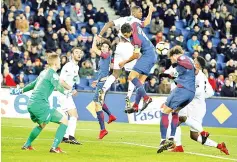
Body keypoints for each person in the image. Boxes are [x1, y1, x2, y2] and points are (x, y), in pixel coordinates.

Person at [10, 52, 72, 153]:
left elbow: (33, 84)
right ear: (56, 62)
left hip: (32, 104)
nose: (60, 62)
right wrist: (66, 92)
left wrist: (20, 91)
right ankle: (54, 147)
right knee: (64, 121)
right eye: (59, 61)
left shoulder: (44, 72)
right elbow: (58, 86)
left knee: (42, 124)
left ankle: (27, 145)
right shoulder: (53, 74)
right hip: (40, 105)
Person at [167, 56, 229, 155]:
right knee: (193, 136)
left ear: (197, 65)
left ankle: (201, 132)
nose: (192, 61)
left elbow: (198, 92)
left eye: (194, 61)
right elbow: (210, 92)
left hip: (197, 108)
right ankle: (219, 146)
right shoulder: (194, 74)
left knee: (180, 118)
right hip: (194, 104)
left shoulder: (199, 77)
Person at [98, 5, 155, 109]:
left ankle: (104, 89)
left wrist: (100, 35)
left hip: (119, 46)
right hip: (130, 48)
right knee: (133, 76)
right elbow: (146, 22)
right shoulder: (135, 22)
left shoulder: (123, 19)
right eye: (140, 12)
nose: (141, 14)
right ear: (133, 13)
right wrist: (150, 12)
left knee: (115, 73)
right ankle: (128, 99)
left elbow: (109, 23)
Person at [157, 46, 195, 153]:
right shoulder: (182, 65)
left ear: (174, 55)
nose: (172, 60)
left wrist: (179, 60)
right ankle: (172, 138)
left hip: (182, 90)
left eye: (171, 58)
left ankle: (163, 140)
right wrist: (166, 74)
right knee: (175, 112)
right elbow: (179, 74)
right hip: (190, 93)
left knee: (164, 111)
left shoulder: (182, 58)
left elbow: (186, 64)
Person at [117, 22, 157, 113]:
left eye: (126, 35)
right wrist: (150, 11)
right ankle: (135, 106)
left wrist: (124, 62)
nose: (125, 37)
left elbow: (135, 55)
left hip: (147, 55)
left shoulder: (136, 40)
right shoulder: (134, 24)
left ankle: (146, 98)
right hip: (152, 55)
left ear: (130, 32)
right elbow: (145, 22)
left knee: (131, 77)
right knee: (140, 83)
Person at [91, 36, 116, 139]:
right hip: (102, 82)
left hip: (103, 84)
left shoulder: (106, 55)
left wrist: (94, 38)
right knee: (99, 103)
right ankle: (110, 116)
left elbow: (93, 48)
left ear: (108, 49)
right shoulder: (104, 58)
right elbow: (104, 71)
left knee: (97, 105)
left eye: (106, 47)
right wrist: (98, 80)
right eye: (103, 46)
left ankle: (103, 129)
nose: (104, 48)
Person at [59, 47, 83, 145]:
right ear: (72, 55)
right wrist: (71, 89)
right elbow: (61, 81)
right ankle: (71, 137)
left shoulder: (76, 67)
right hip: (63, 94)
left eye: (80, 53)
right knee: (74, 115)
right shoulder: (68, 66)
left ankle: (65, 137)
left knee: (68, 116)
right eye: (76, 52)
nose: (79, 54)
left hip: (67, 94)